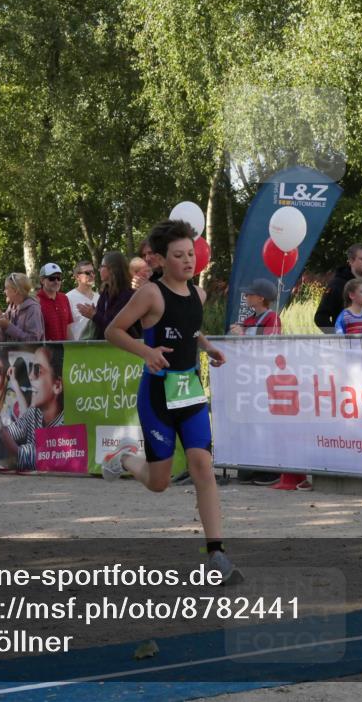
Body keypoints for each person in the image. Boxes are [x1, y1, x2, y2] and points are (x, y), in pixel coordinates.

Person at [101, 219, 239, 584]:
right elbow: (112, 330)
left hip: (190, 392)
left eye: (191, 254)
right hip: (157, 395)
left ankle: (217, 553)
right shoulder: (150, 294)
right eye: (178, 255)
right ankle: (126, 458)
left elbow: (190, 331)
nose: (188, 261)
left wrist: (207, 347)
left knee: (202, 467)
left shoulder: (200, 294)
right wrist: (146, 351)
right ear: (162, 260)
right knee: (159, 482)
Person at [0, 344, 64, 472]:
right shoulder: (35, 413)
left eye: (37, 371)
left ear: (57, 386)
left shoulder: (64, 426)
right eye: (30, 368)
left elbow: (21, 456)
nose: (30, 376)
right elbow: (12, 432)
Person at [314, 243, 362, 333]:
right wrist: (338, 338)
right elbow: (321, 317)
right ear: (351, 261)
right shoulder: (337, 285)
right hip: (347, 345)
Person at [80, 252, 140, 340]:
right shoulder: (106, 291)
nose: (99, 270)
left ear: (112, 269)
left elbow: (116, 327)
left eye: (102, 266)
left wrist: (94, 315)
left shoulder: (127, 293)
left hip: (124, 349)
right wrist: (94, 312)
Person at [0, 272, 44, 342]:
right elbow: (2, 341)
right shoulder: (11, 308)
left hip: (29, 353)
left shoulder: (33, 309)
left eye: (6, 288)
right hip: (12, 353)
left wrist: (8, 326)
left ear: (15, 291)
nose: (4, 291)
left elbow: (34, 341)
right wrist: (1, 325)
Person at [37, 263, 75, 341]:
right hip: (45, 351)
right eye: (52, 278)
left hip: (65, 350)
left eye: (59, 278)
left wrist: (73, 348)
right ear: (42, 280)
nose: (56, 281)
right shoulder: (36, 301)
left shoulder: (64, 298)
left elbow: (68, 327)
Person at [66, 260, 100, 340]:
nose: (91, 275)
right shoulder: (67, 298)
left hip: (98, 346)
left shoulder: (99, 297)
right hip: (78, 347)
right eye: (87, 273)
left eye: (93, 272)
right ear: (78, 277)